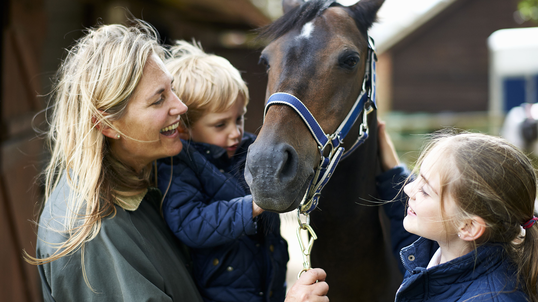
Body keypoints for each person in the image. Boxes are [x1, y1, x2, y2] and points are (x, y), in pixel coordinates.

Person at [156, 40, 289, 302]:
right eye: (220, 125)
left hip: (269, 280)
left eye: (239, 118)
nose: (235, 132)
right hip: (223, 291)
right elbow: (189, 222)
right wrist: (253, 206)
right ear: (183, 128)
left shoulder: (248, 149)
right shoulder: (180, 165)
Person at [375, 121, 538, 301]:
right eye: (418, 178)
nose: (408, 190)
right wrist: (392, 170)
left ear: (468, 226)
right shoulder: (445, 248)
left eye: (425, 191)